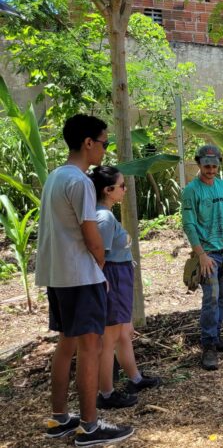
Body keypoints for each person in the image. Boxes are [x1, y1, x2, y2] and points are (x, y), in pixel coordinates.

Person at [36, 114, 134, 445]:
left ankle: (60, 418)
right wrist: (100, 268)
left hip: (59, 276)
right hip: (81, 277)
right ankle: (90, 426)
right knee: (90, 348)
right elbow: (92, 236)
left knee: (67, 345)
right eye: (104, 142)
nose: (104, 150)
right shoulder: (79, 182)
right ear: (88, 143)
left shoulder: (55, 177)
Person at [89, 166, 162, 409]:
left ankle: (135, 379)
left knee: (122, 335)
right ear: (108, 190)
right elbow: (98, 255)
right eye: (121, 186)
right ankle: (106, 394)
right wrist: (103, 282)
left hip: (120, 276)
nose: (125, 189)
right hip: (113, 278)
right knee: (109, 340)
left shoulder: (106, 214)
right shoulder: (104, 218)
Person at [181, 145, 223, 371]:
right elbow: (188, 225)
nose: (211, 170)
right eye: (206, 165)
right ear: (198, 164)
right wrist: (201, 255)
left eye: (214, 166)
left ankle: (216, 337)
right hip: (207, 254)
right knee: (211, 296)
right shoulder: (191, 190)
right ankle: (208, 346)